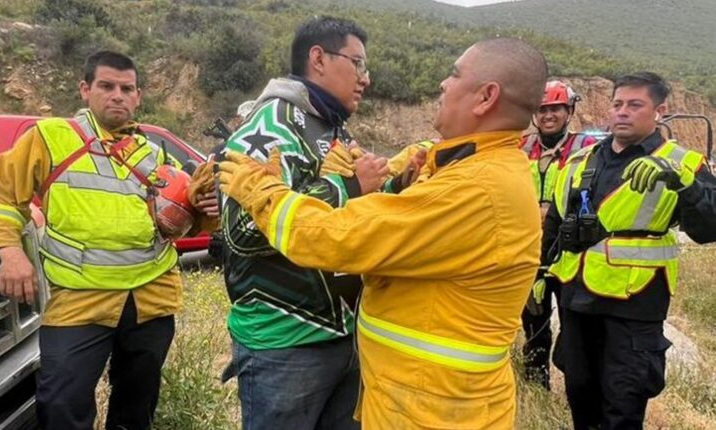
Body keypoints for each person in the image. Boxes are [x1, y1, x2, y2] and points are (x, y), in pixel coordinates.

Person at [218, 37, 548, 429]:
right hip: (412, 395)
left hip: (430, 408)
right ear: (318, 59)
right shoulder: (479, 169)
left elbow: (341, 236)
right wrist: (400, 182)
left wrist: (265, 193)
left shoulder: (476, 187)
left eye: (454, 75)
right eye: (357, 63)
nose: (443, 84)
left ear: (485, 97)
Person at [0, 50, 218, 430]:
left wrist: (205, 210)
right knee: (61, 406)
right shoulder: (49, 137)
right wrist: (10, 251)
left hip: (150, 301)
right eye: (107, 86)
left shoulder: (153, 155)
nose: (117, 95)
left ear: (138, 96)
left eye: (127, 88)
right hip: (78, 301)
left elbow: (182, 226)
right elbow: (3, 197)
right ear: (85, 89)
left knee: (136, 410)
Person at [218, 16, 390, 430]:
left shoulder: (330, 126)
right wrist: (347, 186)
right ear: (318, 58)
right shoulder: (271, 125)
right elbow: (241, 231)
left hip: (342, 331)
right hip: (285, 343)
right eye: (358, 64)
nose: (365, 79)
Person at [544, 72, 716, 429]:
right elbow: (556, 226)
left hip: (634, 306)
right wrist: (540, 276)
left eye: (635, 105)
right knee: (580, 397)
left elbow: (709, 228)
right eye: (617, 104)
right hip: (577, 302)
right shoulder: (581, 161)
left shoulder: (682, 163)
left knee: (622, 406)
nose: (622, 112)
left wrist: (683, 184)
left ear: (660, 111)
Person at [520, 80, 597, 389]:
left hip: (569, 250)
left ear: (569, 111)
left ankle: (580, 389)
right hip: (531, 250)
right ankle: (537, 387)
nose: (548, 115)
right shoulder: (521, 147)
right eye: (542, 110)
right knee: (534, 324)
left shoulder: (588, 146)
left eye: (555, 109)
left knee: (573, 327)